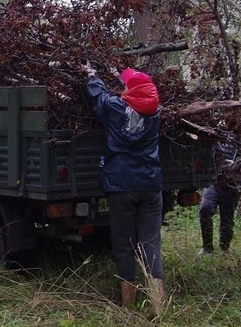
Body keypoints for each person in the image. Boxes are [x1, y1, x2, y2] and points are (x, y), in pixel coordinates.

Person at [84, 65, 165, 315]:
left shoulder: (116, 109)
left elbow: (100, 96)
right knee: (150, 242)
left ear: (132, 90)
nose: (124, 88)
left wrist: (92, 76)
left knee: (123, 243)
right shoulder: (155, 114)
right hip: (150, 186)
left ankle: (128, 305)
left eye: (128, 86)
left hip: (121, 185)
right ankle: (158, 304)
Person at [198, 131, 241, 255]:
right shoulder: (214, 132)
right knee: (205, 209)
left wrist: (237, 164)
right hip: (213, 181)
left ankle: (224, 250)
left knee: (227, 219)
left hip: (233, 184)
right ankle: (207, 247)